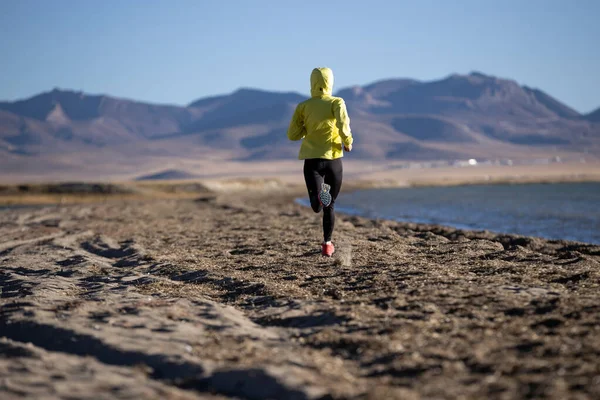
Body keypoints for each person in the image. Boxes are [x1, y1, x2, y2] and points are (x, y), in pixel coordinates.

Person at [287, 67, 353, 257]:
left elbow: (292, 135)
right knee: (330, 205)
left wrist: (306, 129)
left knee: (317, 206)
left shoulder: (303, 106)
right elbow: (343, 124)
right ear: (330, 82)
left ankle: (318, 197)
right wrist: (347, 142)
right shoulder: (337, 102)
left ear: (312, 83)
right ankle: (327, 244)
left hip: (312, 161)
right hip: (333, 160)